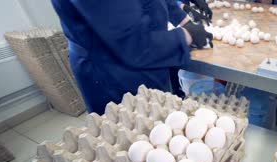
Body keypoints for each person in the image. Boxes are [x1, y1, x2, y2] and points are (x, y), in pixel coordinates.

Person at [51, 0, 213, 114]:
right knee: (133, 134)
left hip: (147, 53)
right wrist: (185, 35)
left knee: (157, 120)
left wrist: (184, 21)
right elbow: (133, 44)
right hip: (111, 70)